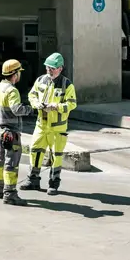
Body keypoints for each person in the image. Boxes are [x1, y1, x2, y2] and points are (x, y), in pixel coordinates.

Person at [23, 52, 77, 196]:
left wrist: (56, 106)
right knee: (35, 151)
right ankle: (33, 180)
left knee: (56, 155)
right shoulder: (41, 80)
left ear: (60, 68)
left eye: (52, 68)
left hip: (57, 128)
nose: (49, 70)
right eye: (47, 67)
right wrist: (36, 104)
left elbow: (72, 104)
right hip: (41, 125)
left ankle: (53, 184)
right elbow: (32, 95)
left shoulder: (67, 84)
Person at [0, 58, 34, 206]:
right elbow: (17, 109)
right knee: (11, 163)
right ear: (14, 74)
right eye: (19, 73)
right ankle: (10, 194)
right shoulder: (12, 91)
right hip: (11, 132)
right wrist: (30, 109)